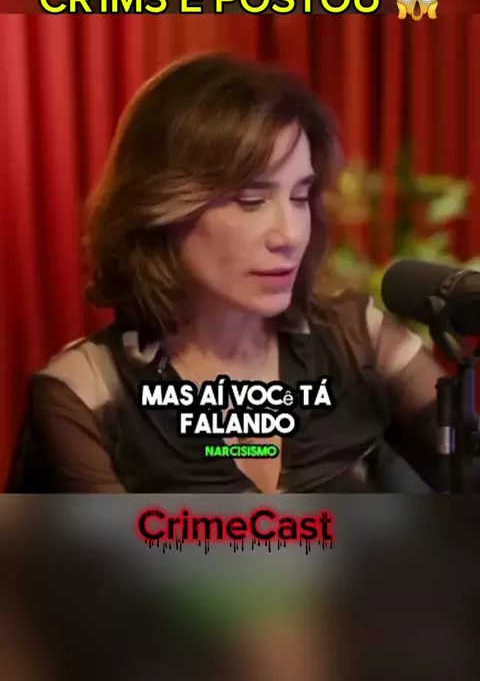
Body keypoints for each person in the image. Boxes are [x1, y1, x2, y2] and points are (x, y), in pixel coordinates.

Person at [17, 52, 444, 493]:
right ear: (162, 206)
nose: (289, 235)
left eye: (300, 197)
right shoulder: (87, 393)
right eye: (251, 201)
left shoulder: (360, 341)